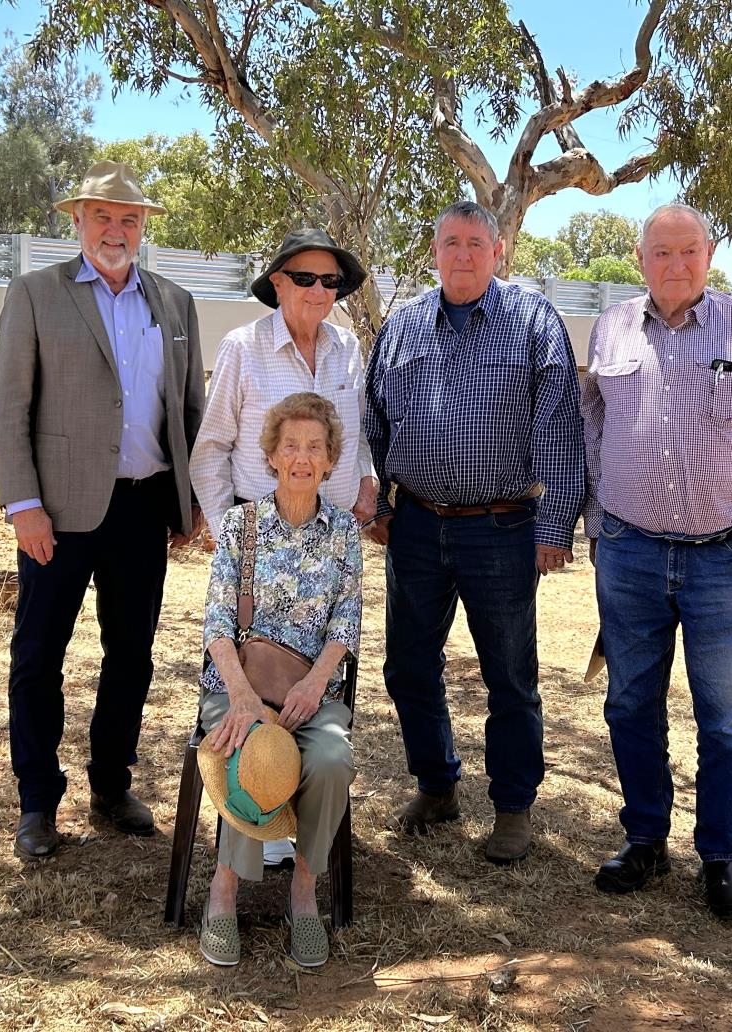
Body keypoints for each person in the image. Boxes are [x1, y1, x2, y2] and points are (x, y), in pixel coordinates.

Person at [579, 203, 732, 920]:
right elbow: (592, 424)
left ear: (708, 255)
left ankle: (720, 859)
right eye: (660, 252)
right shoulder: (612, 326)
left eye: (688, 252)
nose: (674, 265)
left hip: (725, 559)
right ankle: (645, 841)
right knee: (629, 705)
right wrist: (597, 523)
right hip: (630, 553)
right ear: (640, 257)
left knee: (723, 722)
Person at [0, 160, 207, 860]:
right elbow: (8, 408)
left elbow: (191, 408)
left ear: (144, 228)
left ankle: (111, 787)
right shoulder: (35, 295)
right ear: (77, 221)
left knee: (132, 656)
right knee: (38, 656)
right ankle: (36, 803)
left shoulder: (175, 304)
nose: (117, 230)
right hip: (57, 512)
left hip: (143, 509)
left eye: (130, 219)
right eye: (103, 217)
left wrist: (190, 499)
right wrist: (24, 505)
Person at [362, 200, 584, 865]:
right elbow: (373, 423)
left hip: (503, 527)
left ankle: (513, 807)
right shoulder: (400, 328)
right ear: (435, 251)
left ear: (498, 250)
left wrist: (554, 525)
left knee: (510, 675)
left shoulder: (533, 322)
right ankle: (438, 787)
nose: (463, 255)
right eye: (451, 243)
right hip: (417, 525)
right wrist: (379, 506)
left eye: (475, 243)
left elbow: (559, 428)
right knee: (407, 667)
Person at [191, 226, 376, 870]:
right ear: (277, 283)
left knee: (317, 691)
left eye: (331, 281)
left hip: (328, 542)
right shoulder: (244, 348)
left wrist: (368, 480)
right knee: (250, 696)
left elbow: (355, 430)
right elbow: (211, 447)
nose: (319, 291)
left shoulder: (348, 348)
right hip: (256, 558)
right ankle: (258, 815)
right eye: (305, 278)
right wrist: (232, 536)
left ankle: (294, 829)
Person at [195, 392, 361, 969]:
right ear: (270, 455)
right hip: (238, 686)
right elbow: (216, 622)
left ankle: (304, 892)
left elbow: (346, 623)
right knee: (248, 745)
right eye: (290, 445)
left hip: (310, 693)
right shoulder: (240, 525)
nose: (301, 457)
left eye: (314, 447)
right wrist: (243, 697)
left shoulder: (344, 533)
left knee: (333, 757)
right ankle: (223, 892)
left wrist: (315, 684)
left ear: (330, 460)